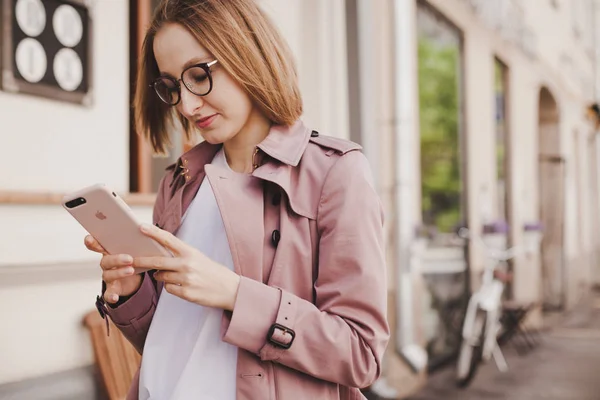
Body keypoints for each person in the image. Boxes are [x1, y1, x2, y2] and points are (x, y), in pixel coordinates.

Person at [85, 0, 389, 399]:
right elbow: (175, 342)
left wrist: (233, 293)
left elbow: (360, 353)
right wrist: (129, 292)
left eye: (199, 75)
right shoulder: (180, 182)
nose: (188, 106)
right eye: (172, 87)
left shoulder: (334, 173)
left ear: (247, 52)